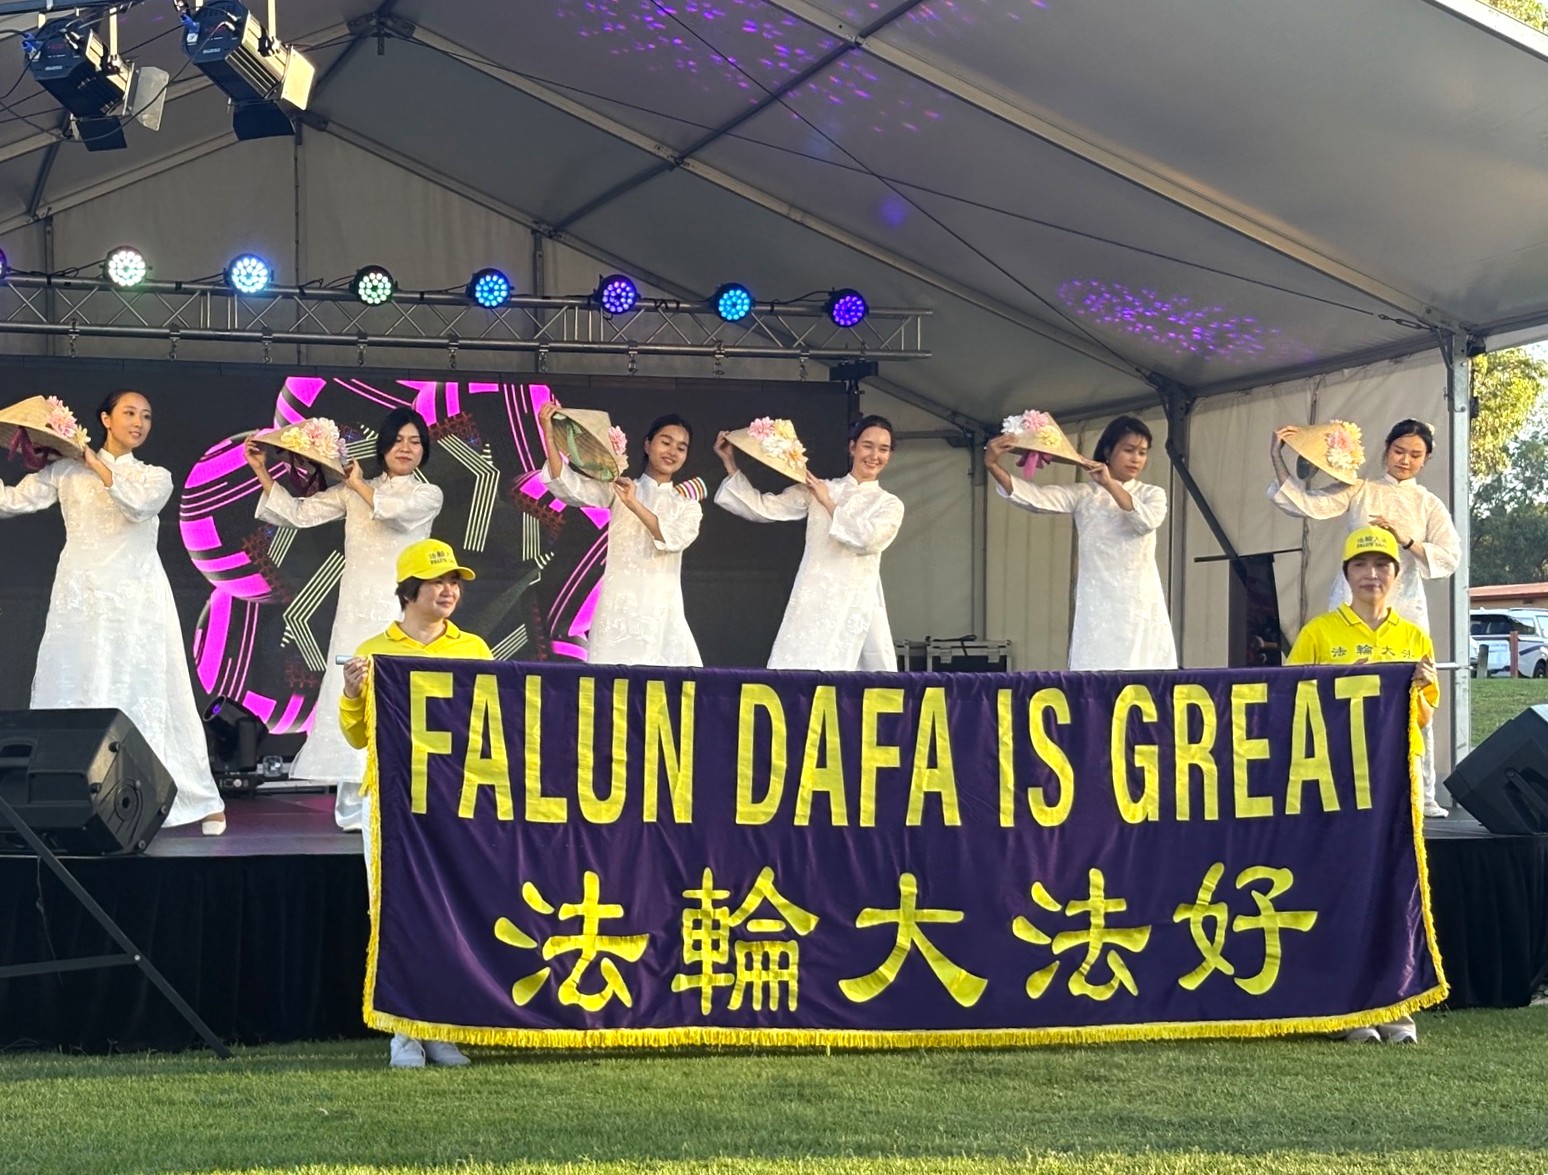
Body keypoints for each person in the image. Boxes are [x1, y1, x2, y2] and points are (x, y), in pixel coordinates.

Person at [0, 390, 226, 832]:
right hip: (81, 597)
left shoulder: (153, 476)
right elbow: (11, 501)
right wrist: (79, 460)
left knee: (148, 693)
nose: (139, 422)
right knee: (78, 688)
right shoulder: (65, 472)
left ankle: (193, 798)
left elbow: (137, 506)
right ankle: (70, 796)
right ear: (105, 419)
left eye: (146, 416)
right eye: (129, 413)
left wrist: (90, 458)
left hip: (137, 599)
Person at [247, 407, 442, 831]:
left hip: (404, 612)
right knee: (353, 694)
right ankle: (353, 803)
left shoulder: (428, 495)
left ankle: (404, 800)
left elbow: (394, 514)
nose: (406, 449)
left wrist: (355, 483)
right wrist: (262, 470)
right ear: (383, 446)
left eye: (415, 442)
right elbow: (297, 514)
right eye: (398, 440)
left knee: (402, 700)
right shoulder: (354, 490)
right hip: (356, 609)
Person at [339, 537, 492, 1069]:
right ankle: (403, 1032)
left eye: (454, 582)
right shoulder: (374, 650)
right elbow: (358, 737)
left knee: (450, 914)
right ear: (410, 590)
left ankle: (441, 1027)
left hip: (454, 801)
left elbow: (491, 723)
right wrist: (352, 694)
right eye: (438, 581)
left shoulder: (474, 649)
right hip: (391, 803)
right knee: (394, 913)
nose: (449, 591)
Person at [1286, 525, 1438, 1045]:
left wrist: (1417, 688)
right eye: (1361, 566)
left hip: (1395, 778)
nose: (1372, 575)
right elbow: (1291, 700)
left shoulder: (1413, 636)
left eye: (1381, 566)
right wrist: (1340, 683)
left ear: (1396, 575)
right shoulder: (1320, 633)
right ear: (1347, 575)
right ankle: (1347, 1009)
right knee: (1342, 887)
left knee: (1396, 887)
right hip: (1338, 779)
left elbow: (1423, 716)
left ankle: (1396, 1007)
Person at [1270, 418, 1460, 816]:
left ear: (1426, 460)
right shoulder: (1361, 489)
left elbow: (1449, 557)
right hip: (1352, 604)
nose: (1405, 460)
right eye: (1399, 451)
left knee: (1414, 694)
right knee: (1343, 691)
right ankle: (1340, 784)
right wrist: (1278, 457)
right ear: (1386, 449)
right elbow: (1307, 504)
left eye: (1415, 455)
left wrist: (1406, 540)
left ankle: (1421, 791)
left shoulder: (1427, 503)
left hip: (1404, 606)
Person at [984, 414, 1177, 671]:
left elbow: (1147, 521)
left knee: (1146, 671)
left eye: (1142, 452)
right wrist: (992, 465)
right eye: (1129, 450)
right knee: (1095, 671)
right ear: (1108, 451)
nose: (1136, 459)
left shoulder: (1152, 493)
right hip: (1097, 602)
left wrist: (1109, 484)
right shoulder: (1085, 494)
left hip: (1140, 603)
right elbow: (1035, 498)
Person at [714, 414, 904, 672]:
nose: (874, 456)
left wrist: (827, 502)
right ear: (853, 447)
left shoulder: (889, 504)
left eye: (883, 449)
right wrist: (730, 463)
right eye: (867, 446)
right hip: (813, 598)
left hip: (856, 602)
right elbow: (763, 508)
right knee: (800, 672)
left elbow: (868, 540)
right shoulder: (818, 488)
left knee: (858, 679)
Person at [537, 401, 702, 666]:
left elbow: (672, 539)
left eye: (681, 448)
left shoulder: (688, 506)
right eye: (665, 442)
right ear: (647, 445)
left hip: (663, 613)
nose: (672, 451)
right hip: (617, 611)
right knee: (610, 685)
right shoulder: (620, 488)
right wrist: (549, 434)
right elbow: (569, 485)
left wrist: (634, 504)